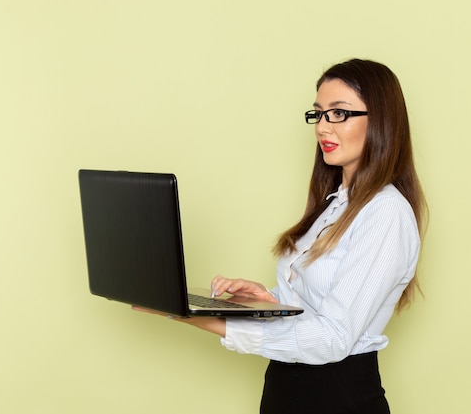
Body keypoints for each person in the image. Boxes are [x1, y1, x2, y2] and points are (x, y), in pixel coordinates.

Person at [135, 58, 427, 414]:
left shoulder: (386, 212)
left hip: (336, 398)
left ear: (381, 120)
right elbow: (321, 303)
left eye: (338, 114)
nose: (322, 128)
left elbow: (333, 338)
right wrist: (271, 302)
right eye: (318, 114)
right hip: (286, 390)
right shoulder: (334, 203)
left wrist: (204, 320)